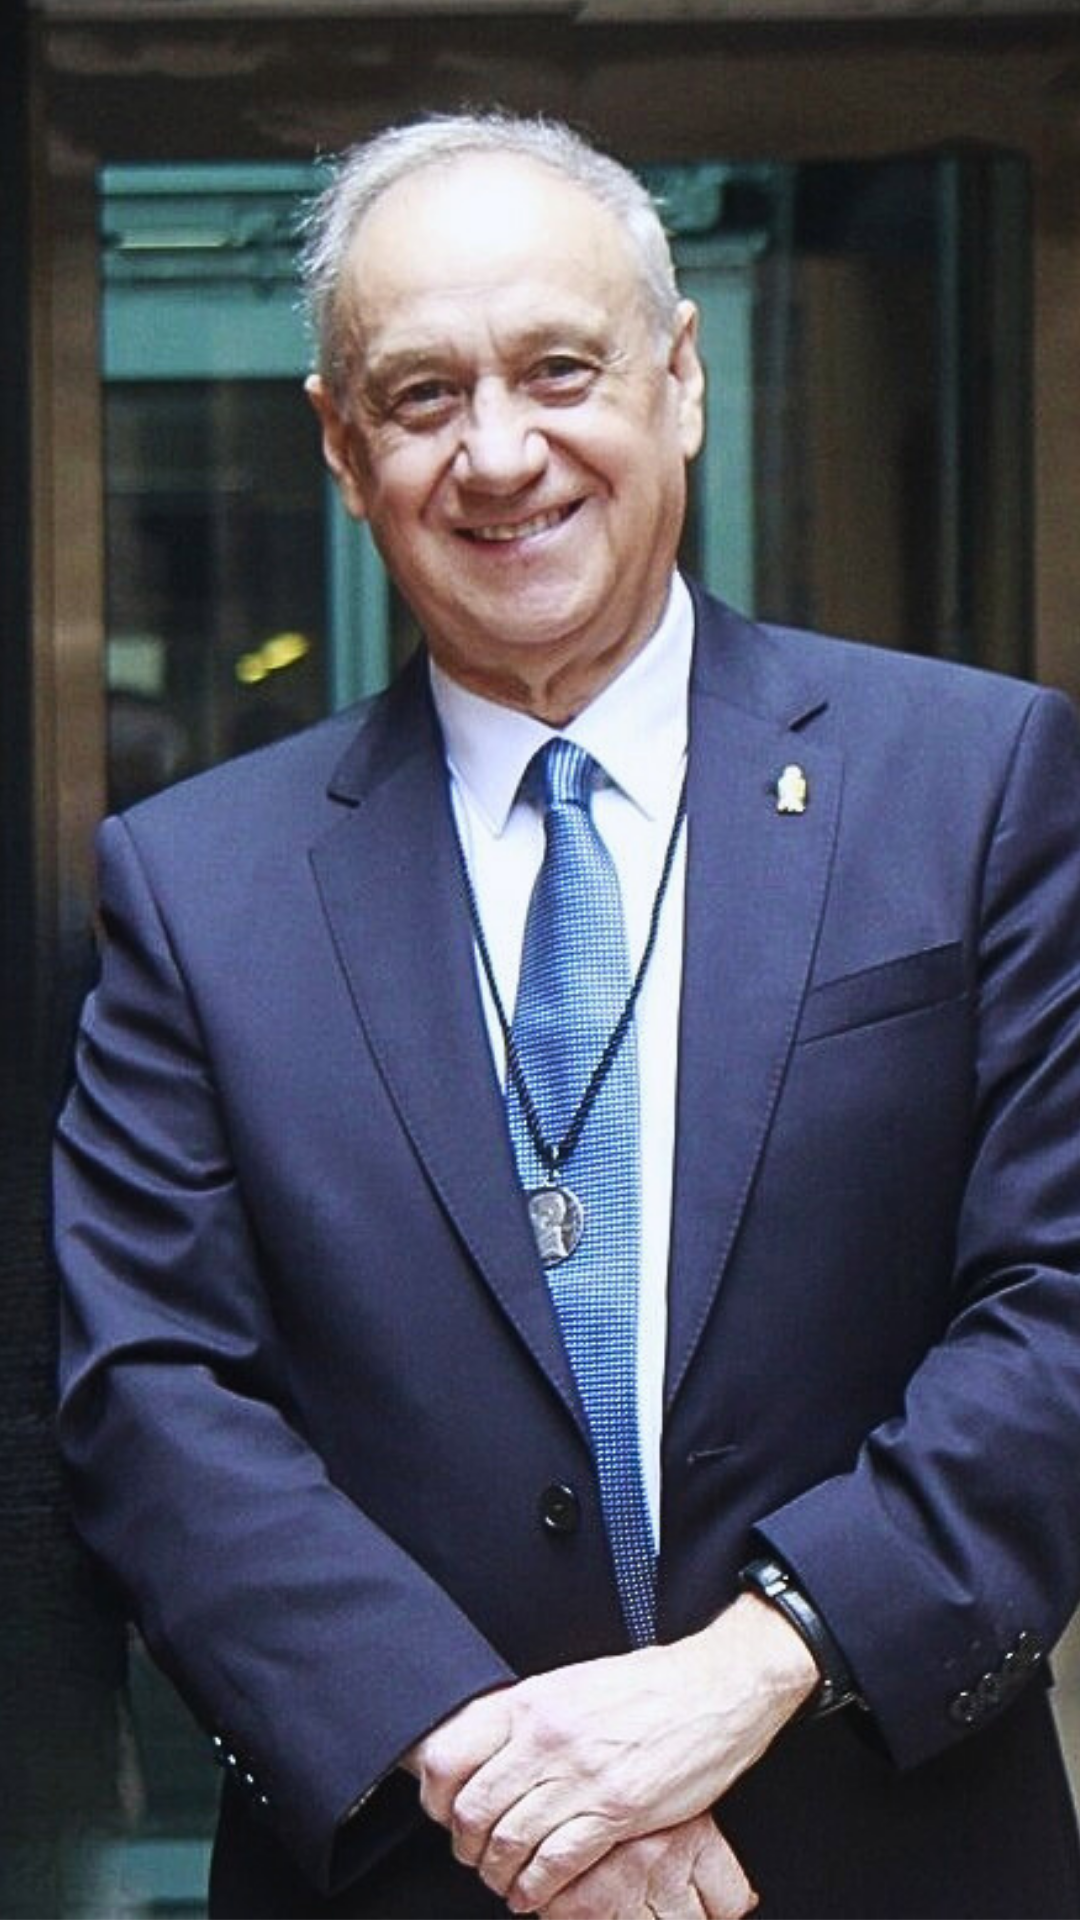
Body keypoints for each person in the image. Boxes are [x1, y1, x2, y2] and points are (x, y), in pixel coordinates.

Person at [53, 110, 1080, 1920]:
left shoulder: (976, 784)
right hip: (410, 1865)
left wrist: (748, 1668)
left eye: (559, 369)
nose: (501, 452)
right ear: (342, 447)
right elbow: (153, 1394)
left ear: (681, 381)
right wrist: (513, 1787)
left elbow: (1059, 1298)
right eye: (423, 395)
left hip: (884, 1846)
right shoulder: (195, 886)